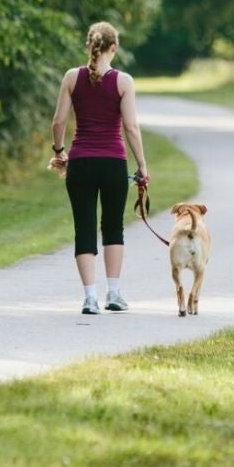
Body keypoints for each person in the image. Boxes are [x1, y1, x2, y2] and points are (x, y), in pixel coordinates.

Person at [50, 21, 149, 315]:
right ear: (114, 48)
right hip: (113, 163)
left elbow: (58, 122)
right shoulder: (123, 81)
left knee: (84, 227)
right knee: (113, 226)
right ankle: (114, 294)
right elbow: (130, 127)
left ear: (88, 46)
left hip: (80, 162)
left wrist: (59, 151)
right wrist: (142, 165)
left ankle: (89, 297)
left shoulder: (72, 77)